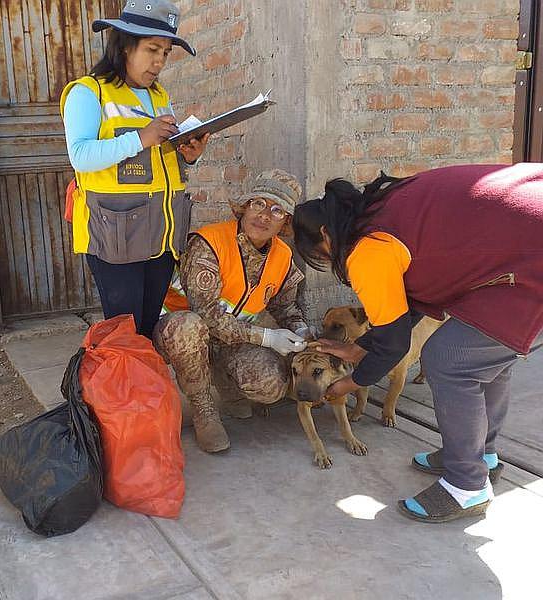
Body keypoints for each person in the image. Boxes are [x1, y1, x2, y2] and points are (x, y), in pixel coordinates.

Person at [292, 163, 543, 523]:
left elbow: (394, 344)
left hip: (530, 252)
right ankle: (478, 456)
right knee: (484, 355)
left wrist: (345, 384)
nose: (324, 259)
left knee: (449, 359)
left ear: (324, 235)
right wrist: (358, 348)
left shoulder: (366, 250)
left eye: (317, 253)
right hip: (526, 225)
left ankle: (466, 486)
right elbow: (402, 311)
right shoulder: (382, 209)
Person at [59, 0, 209, 339]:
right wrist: (142, 137)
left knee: (146, 328)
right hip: (115, 236)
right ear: (125, 45)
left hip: (160, 236)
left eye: (166, 52)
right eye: (152, 49)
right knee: (123, 334)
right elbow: (81, 156)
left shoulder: (158, 95)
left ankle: (141, 390)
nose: (159, 61)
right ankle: (114, 390)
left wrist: (188, 155)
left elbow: (157, 158)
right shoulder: (88, 93)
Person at [153, 170, 310, 453]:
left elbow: (285, 306)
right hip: (178, 334)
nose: (263, 215)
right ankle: (203, 409)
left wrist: (302, 332)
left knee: (270, 385)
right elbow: (207, 314)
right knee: (189, 326)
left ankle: (225, 383)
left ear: (285, 222)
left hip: (232, 339)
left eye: (276, 210)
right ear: (244, 207)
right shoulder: (209, 243)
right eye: (257, 204)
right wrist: (267, 338)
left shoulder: (283, 256)